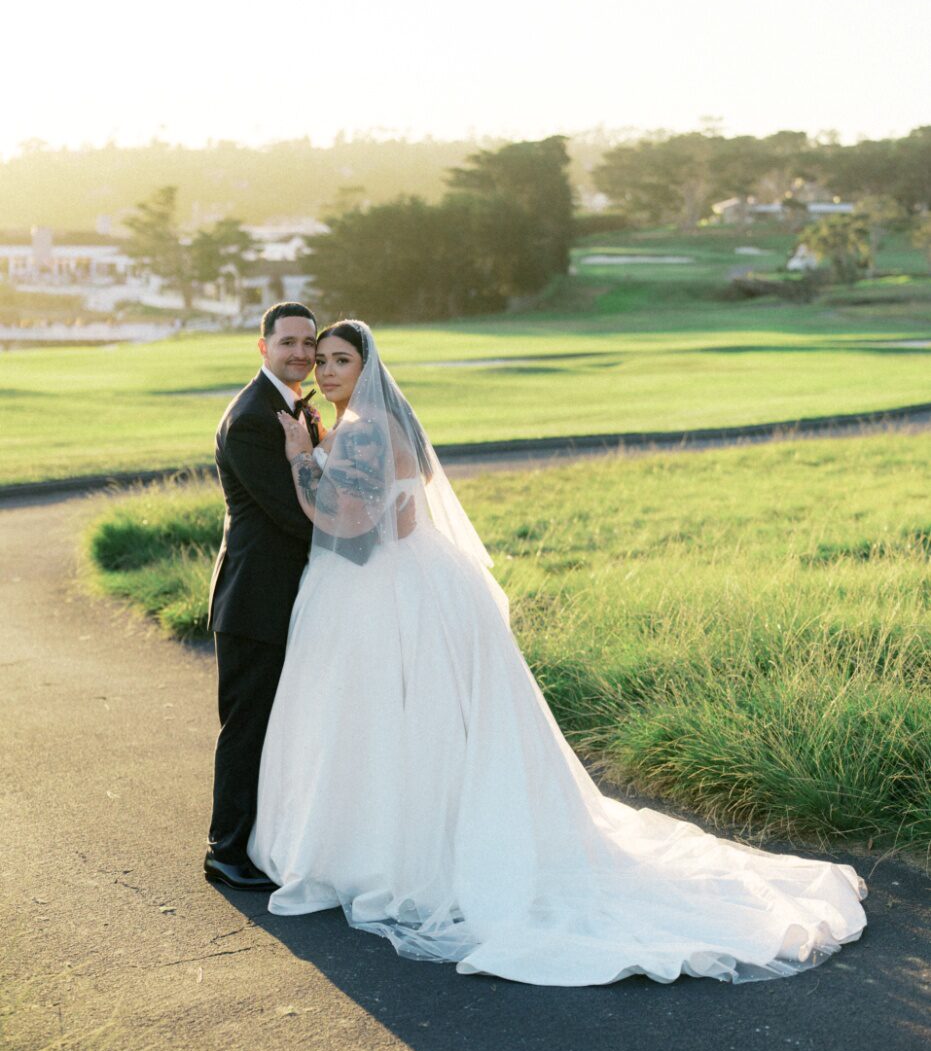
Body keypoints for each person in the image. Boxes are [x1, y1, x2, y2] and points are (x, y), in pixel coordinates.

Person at [248, 319, 867, 986]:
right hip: (412, 583)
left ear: (367, 368)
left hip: (389, 594)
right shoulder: (368, 423)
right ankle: (406, 839)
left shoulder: (365, 426)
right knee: (417, 718)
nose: (327, 370)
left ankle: (394, 852)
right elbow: (399, 511)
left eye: (342, 360)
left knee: (401, 716)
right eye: (323, 360)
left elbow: (347, 520)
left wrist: (297, 459)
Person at [204, 302, 321, 890]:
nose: (300, 353)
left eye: (310, 343)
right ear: (263, 347)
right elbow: (292, 514)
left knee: (279, 725)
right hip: (255, 599)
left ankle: (261, 840)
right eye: (288, 343)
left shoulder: (294, 410)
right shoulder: (253, 417)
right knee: (248, 727)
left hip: (286, 596)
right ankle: (226, 851)